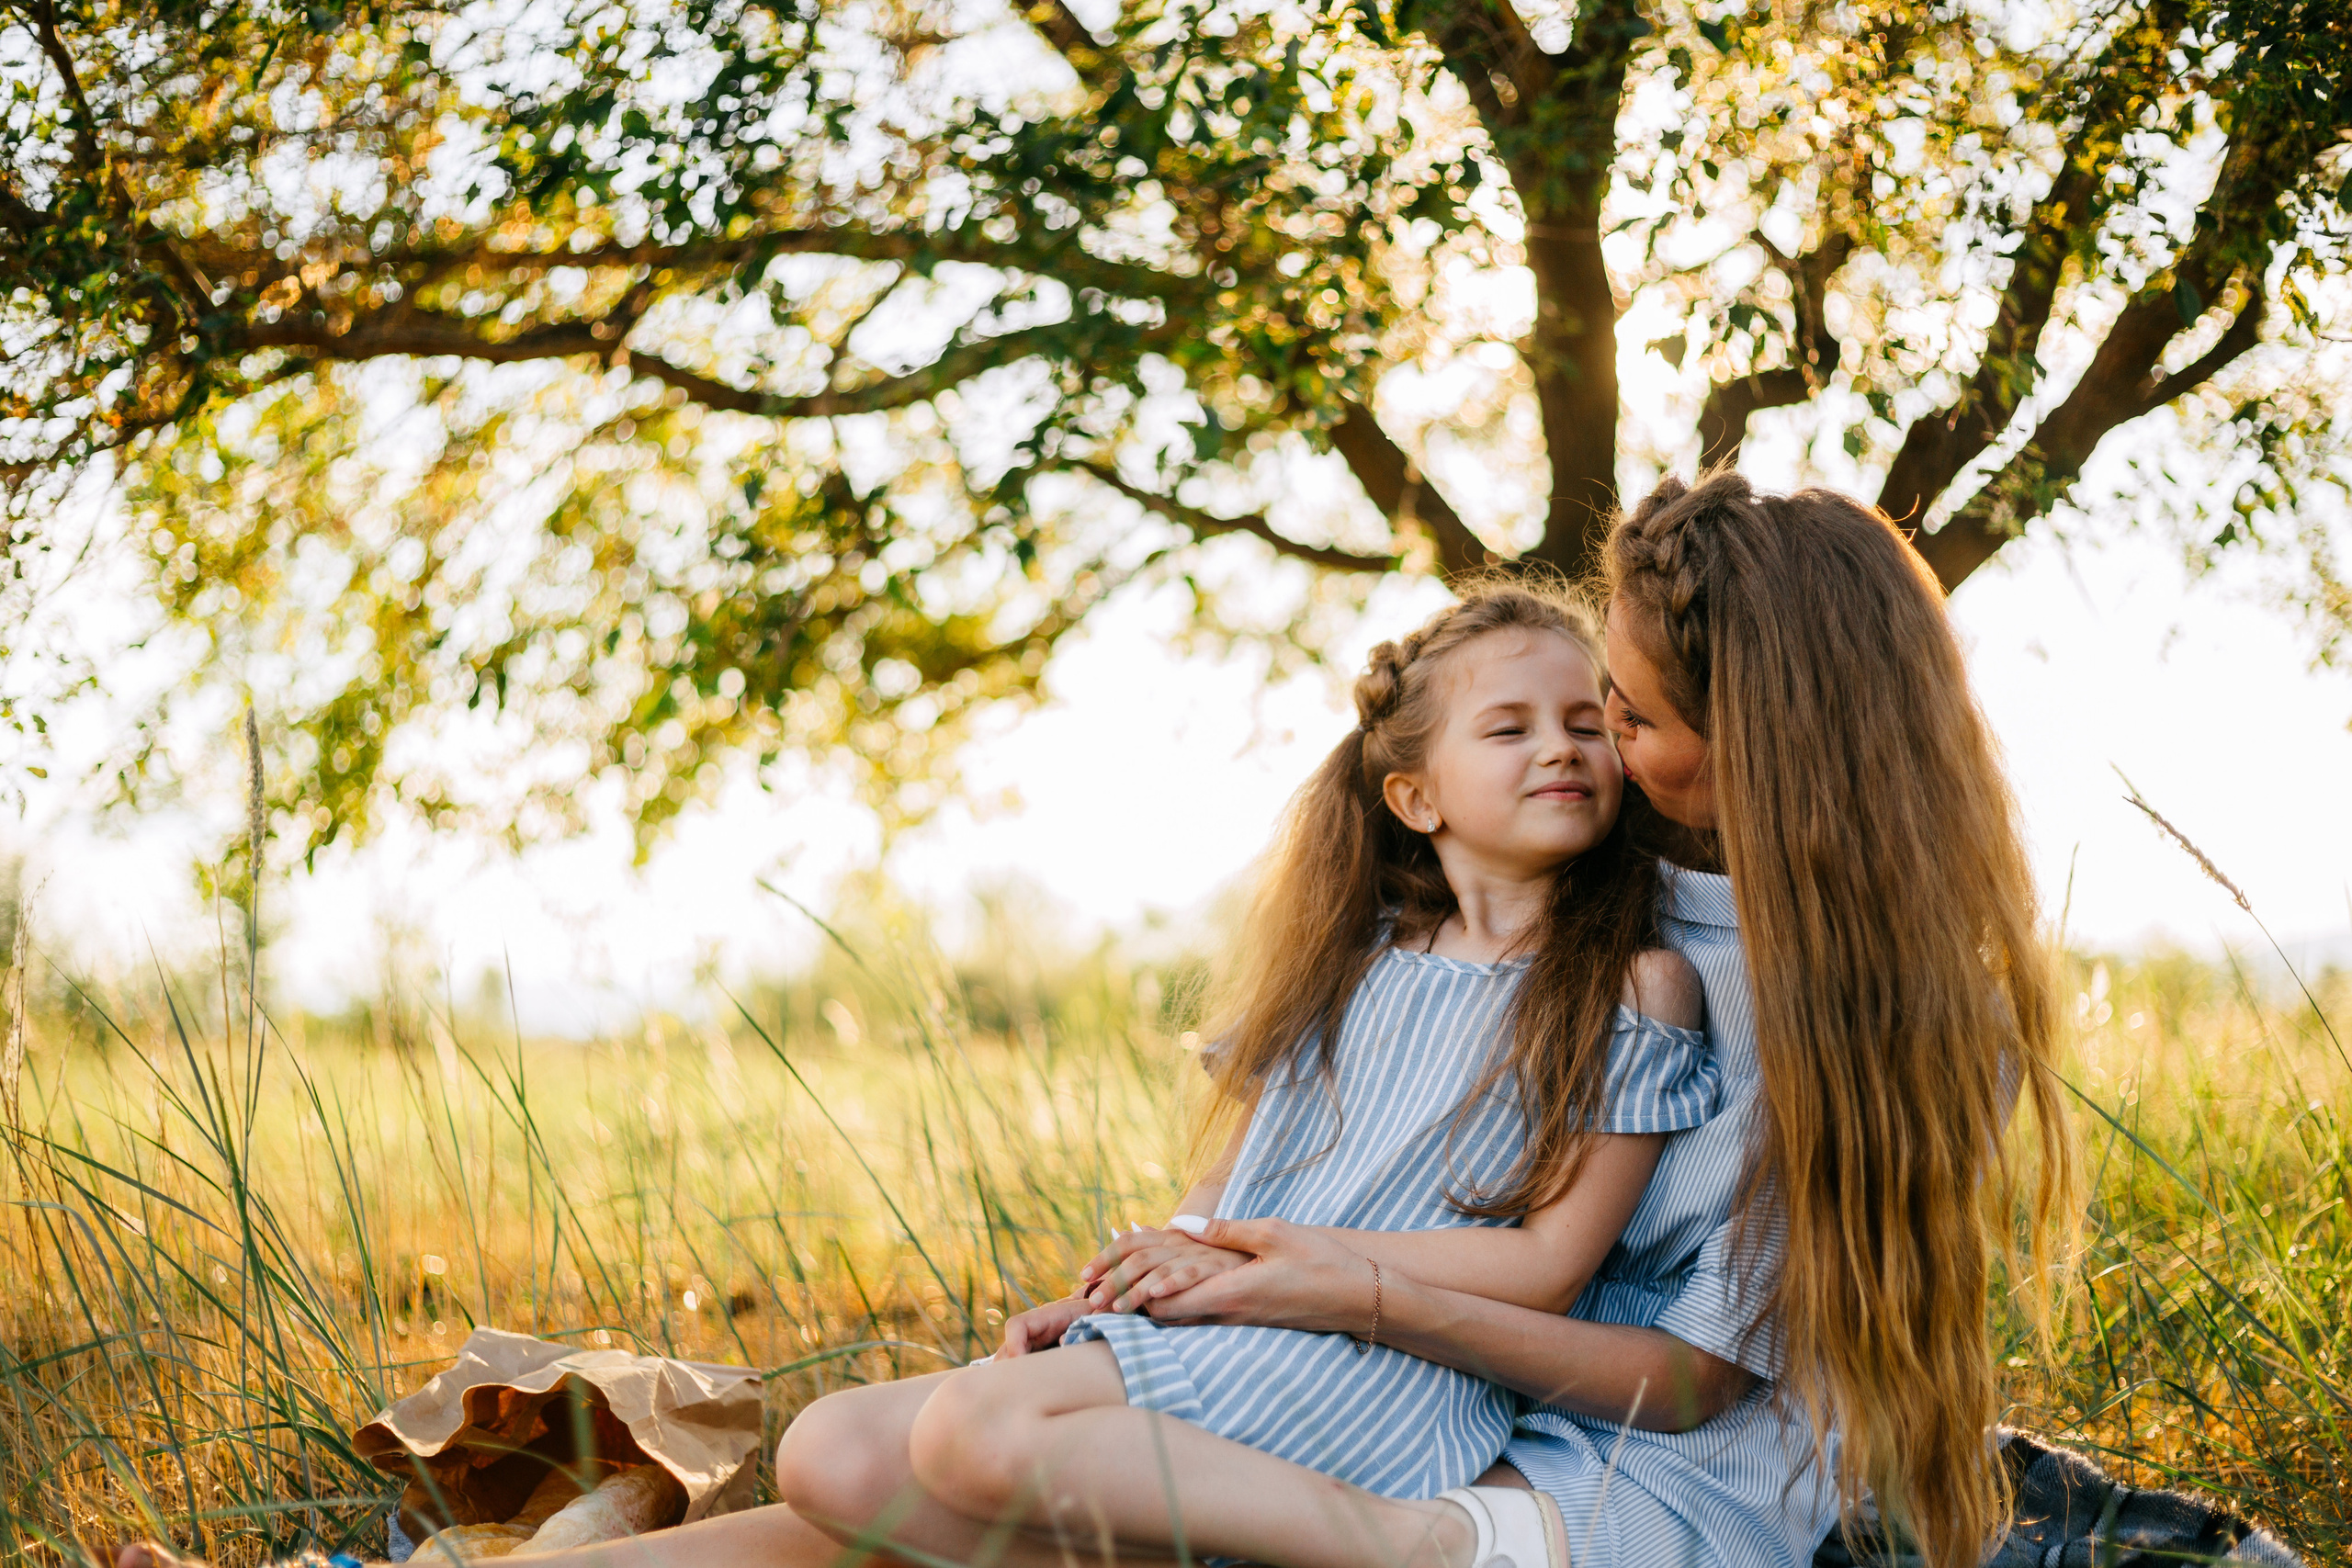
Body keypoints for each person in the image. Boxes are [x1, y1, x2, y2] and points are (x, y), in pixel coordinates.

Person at [119, 474, 2068, 1568]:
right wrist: (1204, 1277)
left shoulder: (1832, 1005)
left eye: (1627, 717)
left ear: (1763, 739)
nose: (1599, 750)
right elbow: (1373, 1115)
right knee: (880, 1496)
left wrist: (1326, 1288)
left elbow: (1690, 1387)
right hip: (1431, 1392)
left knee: (955, 1497)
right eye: (1582, 714)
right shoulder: (1611, 895)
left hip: (1610, 1488)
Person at [885, 580, 1716, 1568]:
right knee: (831, 1455)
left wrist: (1281, 1263)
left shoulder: (1633, 986)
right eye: (1510, 729)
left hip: (1386, 1368)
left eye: (1586, 724)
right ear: (1416, 797)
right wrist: (1139, 1280)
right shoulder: (1352, 962)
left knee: (966, 1429)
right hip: (1246, 1320)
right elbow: (1229, 1182)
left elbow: (1548, 1266)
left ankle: (1378, 1549)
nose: (1561, 748)